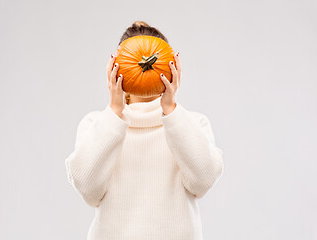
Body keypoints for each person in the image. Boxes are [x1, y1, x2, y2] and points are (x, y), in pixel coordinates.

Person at [64, 21, 224, 240]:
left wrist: (170, 109)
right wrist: (115, 110)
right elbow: (89, 190)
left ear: (172, 68)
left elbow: (202, 182)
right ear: (116, 69)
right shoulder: (97, 124)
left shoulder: (192, 124)